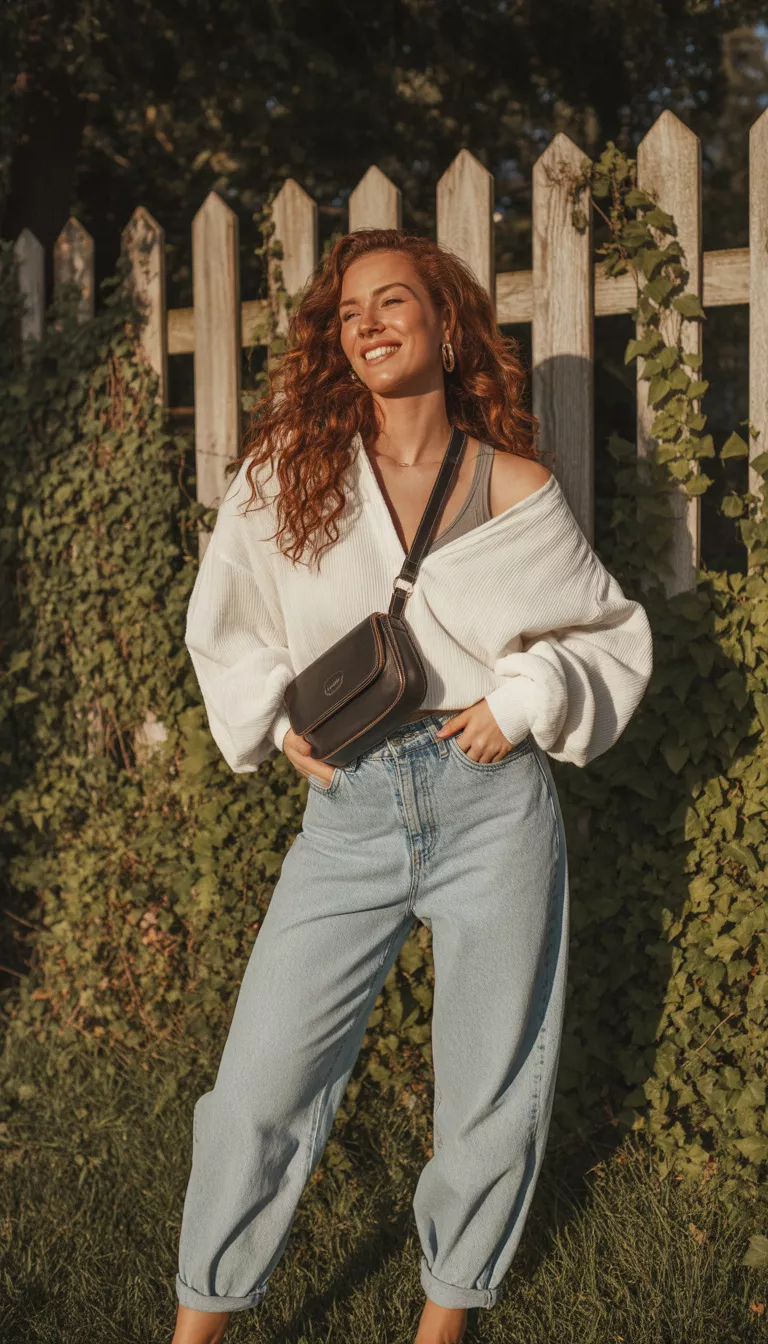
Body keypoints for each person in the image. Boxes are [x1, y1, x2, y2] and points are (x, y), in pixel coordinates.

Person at [171, 228, 653, 1344]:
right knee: (256, 1085)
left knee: (490, 1086)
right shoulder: (291, 471)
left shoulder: (514, 485)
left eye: (393, 302)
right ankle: (199, 1324)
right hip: (351, 810)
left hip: (492, 805)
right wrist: (274, 721)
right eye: (350, 312)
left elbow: (609, 635)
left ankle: (442, 1326)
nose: (369, 324)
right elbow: (224, 621)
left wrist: (524, 700)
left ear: (446, 322)